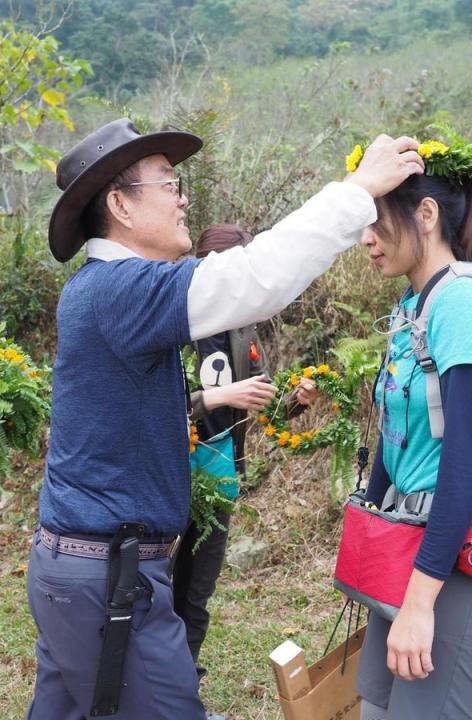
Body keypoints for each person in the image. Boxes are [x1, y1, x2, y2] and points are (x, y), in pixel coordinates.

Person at [26, 118, 422, 720]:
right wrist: (359, 190)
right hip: (105, 578)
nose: (183, 198)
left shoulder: (108, 290)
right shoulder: (118, 288)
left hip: (87, 569)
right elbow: (251, 279)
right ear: (119, 205)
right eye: (167, 184)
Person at [354, 145, 472, 719]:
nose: (365, 239)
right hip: (413, 545)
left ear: (425, 215)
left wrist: (420, 601)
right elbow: (396, 438)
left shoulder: (467, 309)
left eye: (375, 222)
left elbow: (466, 467)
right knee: (376, 706)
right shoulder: (415, 306)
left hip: (461, 562)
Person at [175, 223, 320, 679]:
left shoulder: (243, 330)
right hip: (168, 474)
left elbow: (264, 406)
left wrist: (296, 400)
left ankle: (184, 679)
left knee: (197, 589)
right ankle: (149, 683)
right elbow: (151, 405)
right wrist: (217, 397)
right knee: (154, 584)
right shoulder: (175, 322)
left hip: (217, 476)